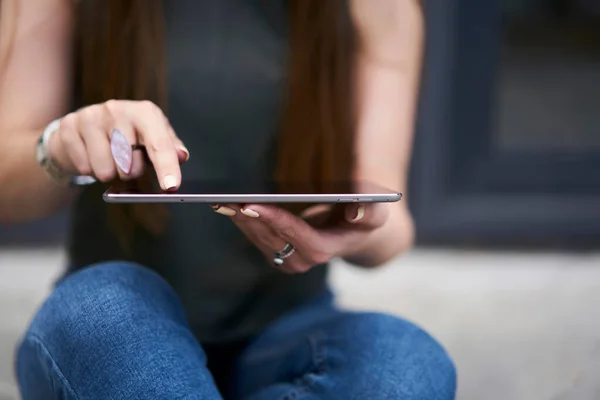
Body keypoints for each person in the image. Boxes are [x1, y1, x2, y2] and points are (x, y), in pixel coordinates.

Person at [0, 0, 456, 398]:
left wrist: (355, 226)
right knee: (102, 315)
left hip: (284, 333)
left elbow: (392, 224)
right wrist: (59, 147)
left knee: (405, 361)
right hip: (118, 330)